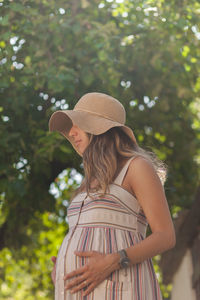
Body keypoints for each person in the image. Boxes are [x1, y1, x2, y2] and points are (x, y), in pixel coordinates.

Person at [48, 92, 176, 300]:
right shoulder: (87, 183)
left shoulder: (136, 167)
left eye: (77, 124)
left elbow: (166, 236)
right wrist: (62, 267)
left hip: (121, 289)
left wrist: (114, 261)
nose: (71, 133)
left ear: (99, 129)